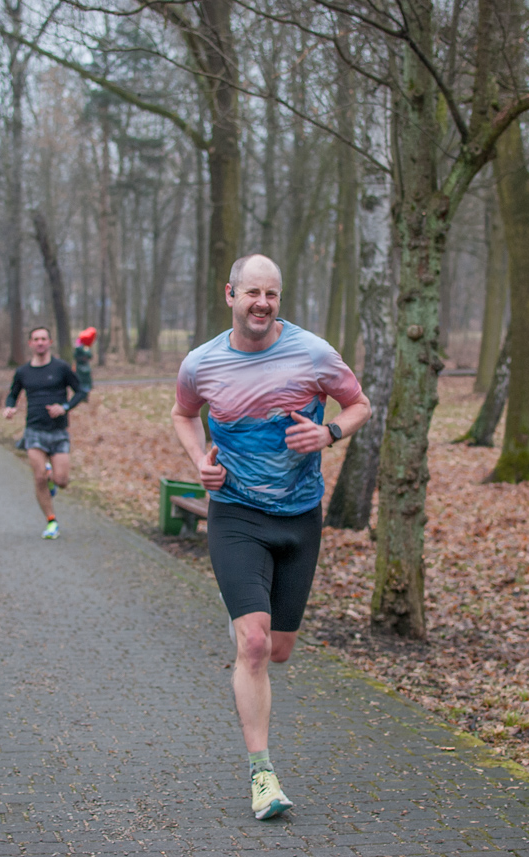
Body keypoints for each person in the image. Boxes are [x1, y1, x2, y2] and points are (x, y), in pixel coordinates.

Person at [171, 253, 371, 820]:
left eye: (272, 295)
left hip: (300, 517)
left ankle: (247, 615)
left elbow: (360, 405)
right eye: (251, 292)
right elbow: (183, 414)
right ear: (229, 293)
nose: (261, 303)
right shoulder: (202, 362)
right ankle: (263, 777)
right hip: (234, 514)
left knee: (279, 650)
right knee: (253, 644)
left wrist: (329, 432)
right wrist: (198, 464)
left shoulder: (312, 353)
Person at [4, 327, 87, 539]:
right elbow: (13, 394)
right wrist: (10, 407)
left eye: (43, 339)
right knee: (39, 476)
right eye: (35, 339)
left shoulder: (61, 368)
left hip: (58, 431)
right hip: (34, 430)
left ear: (50, 342)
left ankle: (53, 478)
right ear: (30, 343)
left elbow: (81, 391)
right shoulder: (23, 372)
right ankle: (51, 521)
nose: (40, 343)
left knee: (62, 481)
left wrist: (65, 407)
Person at [73, 327, 95, 411]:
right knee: (81, 382)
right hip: (80, 368)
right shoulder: (78, 347)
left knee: (87, 382)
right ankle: (81, 396)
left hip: (86, 368)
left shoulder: (86, 348)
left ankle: (86, 396)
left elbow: (89, 356)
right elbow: (76, 355)